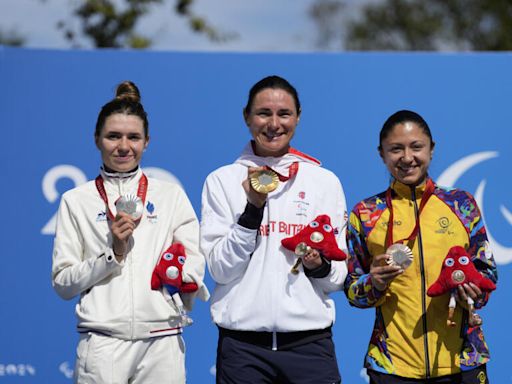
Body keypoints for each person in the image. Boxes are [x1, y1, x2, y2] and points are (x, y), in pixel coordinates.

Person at [51, 81, 209, 383]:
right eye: (113, 136)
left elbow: (194, 263)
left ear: (147, 141)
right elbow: (63, 283)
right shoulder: (76, 200)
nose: (124, 146)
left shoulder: (170, 195)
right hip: (102, 342)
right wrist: (113, 255)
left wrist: (178, 281)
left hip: (162, 343)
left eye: (133, 137)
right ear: (96, 139)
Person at [200, 75, 348, 384]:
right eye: (263, 113)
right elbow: (220, 270)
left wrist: (318, 265)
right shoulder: (222, 181)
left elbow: (336, 278)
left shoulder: (324, 181)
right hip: (243, 348)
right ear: (246, 117)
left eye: (284, 114)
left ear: (298, 117)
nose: (274, 124)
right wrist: (252, 209)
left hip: (310, 345)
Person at [344, 110, 498, 384]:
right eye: (396, 149)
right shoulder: (366, 214)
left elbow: (487, 275)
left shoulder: (461, 205)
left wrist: (472, 291)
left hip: (463, 362)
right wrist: (374, 283)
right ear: (382, 154)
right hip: (392, 368)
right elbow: (353, 291)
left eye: (416, 147)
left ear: (431, 149)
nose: (407, 157)